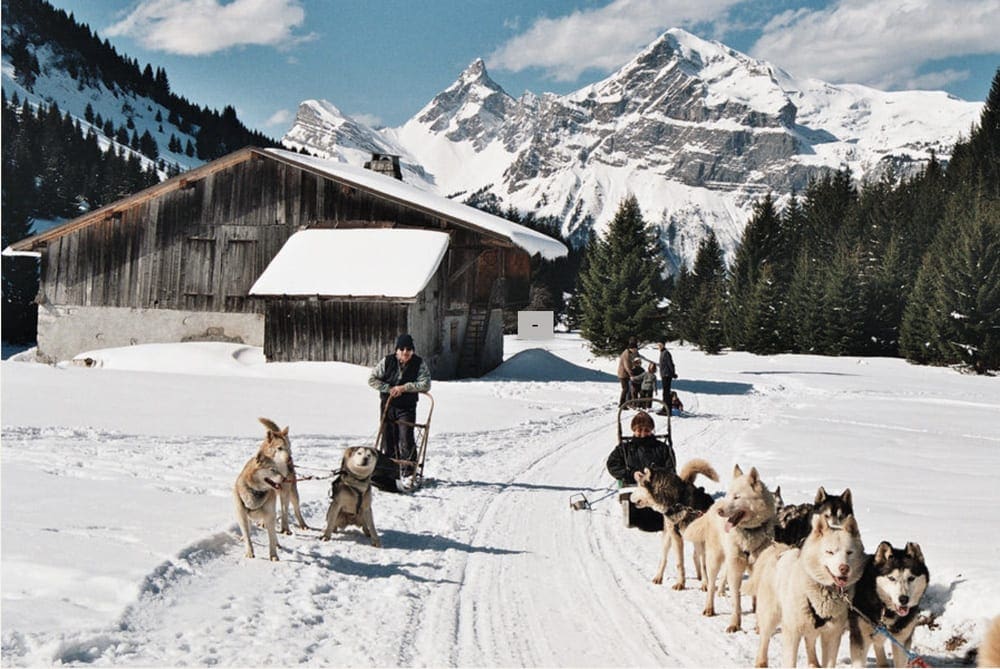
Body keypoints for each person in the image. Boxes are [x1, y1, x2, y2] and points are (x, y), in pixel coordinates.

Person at [368, 334, 432, 473]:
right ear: (397, 350)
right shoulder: (387, 361)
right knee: (388, 437)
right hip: (388, 404)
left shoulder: (418, 363)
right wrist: (389, 389)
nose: (405, 352)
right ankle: (390, 469)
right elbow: (372, 379)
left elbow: (426, 384)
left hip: (406, 407)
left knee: (405, 437)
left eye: (408, 349)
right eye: (402, 349)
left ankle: (409, 471)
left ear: (412, 350)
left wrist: (404, 388)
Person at [606, 410, 677, 531]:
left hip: (657, 491)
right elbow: (612, 464)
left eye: (647, 430)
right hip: (633, 488)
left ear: (651, 430)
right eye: (639, 430)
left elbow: (670, 469)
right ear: (634, 430)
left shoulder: (662, 448)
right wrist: (631, 474)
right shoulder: (625, 448)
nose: (643, 433)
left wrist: (655, 476)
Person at [617, 337, 640, 407]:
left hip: (628, 373)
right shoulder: (626, 354)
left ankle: (629, 402)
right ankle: (622, 403)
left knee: (630, 388)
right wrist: (631, 374)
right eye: (635, 349)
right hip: (623, 374)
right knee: (625, 388)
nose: (636, 350)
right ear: (632, 348)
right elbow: (626, 366)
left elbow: (636, 361)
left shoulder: (633, 353)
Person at [655, 340, 677, 416]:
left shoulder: (666, 353)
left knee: (666, 393)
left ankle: (667, 409)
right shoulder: (662, 352)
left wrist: (673, 373)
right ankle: (665, 408)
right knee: (665, 393)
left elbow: (670, 364)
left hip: (667, 375)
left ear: (664, 345)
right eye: (658, 345)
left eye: (661, 345)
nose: (659, 346)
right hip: (664, 374)